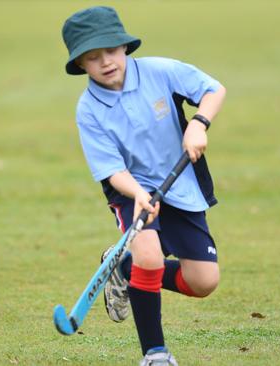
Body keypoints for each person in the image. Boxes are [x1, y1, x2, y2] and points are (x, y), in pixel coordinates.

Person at [62, 6, 226, 365]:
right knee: (149, 257)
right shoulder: (88, 109)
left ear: (124, 47)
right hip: (129, 188)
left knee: (204, 281)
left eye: (110, 50)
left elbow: (214, 89)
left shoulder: (160, 71)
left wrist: (199, 123)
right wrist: (138, 194)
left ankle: (121, 268)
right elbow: (110, 169)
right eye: (92, 57)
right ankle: (155, 354)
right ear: (81, 65)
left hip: (180, 183)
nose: (105, 61)